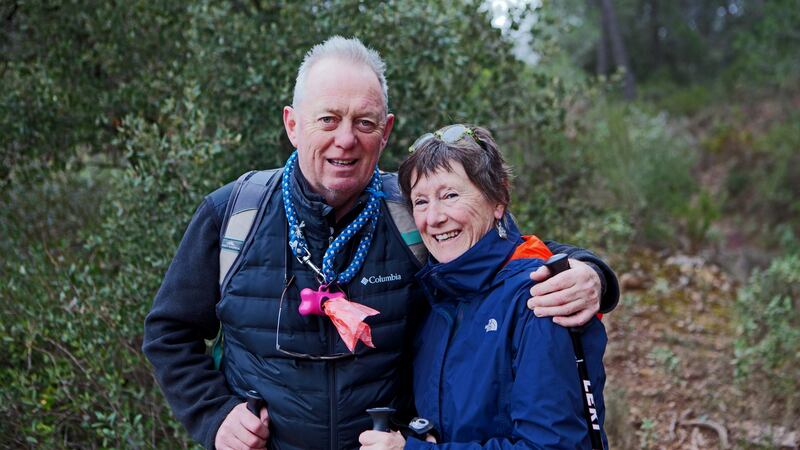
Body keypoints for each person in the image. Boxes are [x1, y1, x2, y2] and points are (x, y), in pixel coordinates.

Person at [142, 37, 619, 450]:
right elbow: (168, 332)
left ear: (385, 131)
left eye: (364, 123)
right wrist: (214, 416)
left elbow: (502, 251)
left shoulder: (411, 210)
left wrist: (591, 273)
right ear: (292, 124)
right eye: (327, 120)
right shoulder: (234, 214)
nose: (345, 140)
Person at [359, 125, 608, 450]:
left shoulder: (540, 299)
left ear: (498, 200)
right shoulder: (436, 296)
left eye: (450, 195)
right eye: (420, 201)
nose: (433, 218)